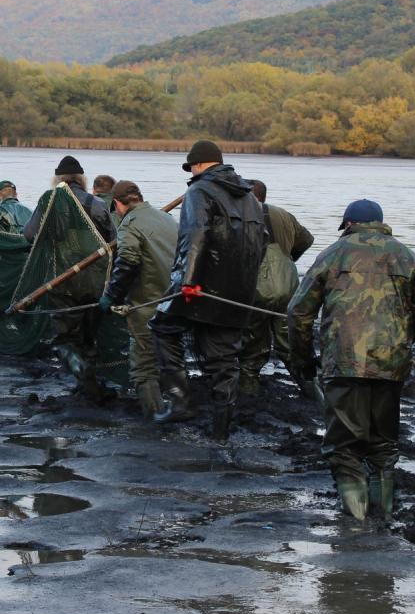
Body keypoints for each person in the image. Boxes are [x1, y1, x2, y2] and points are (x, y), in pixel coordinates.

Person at [287, 199, 415, 521]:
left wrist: (303, 359)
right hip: (389, 362)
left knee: (343, 446)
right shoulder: (407, 255)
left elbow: (298, 312)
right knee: (383, 444)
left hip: (343, 362)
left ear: (348, 224)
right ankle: (381, 513)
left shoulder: (333, 253)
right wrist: (402, 338)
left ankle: (356, 520)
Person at [152, 140, 267, 440]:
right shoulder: (251, 198)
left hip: (201, 289)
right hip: (239, 293)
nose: (190, 172)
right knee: (225, 361)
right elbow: (261, 245)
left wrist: (187, 282)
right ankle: (220, 431)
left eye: (191, 167)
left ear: (199, 165)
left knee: (162, 326)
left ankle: (180, 401)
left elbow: (194, 237)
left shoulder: (198, 191)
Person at [22, 156, 117, 393]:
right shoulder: (98, 204)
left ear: (59, 180)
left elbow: (30, 234)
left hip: (62, 281)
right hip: (95, 282)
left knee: (65, 338)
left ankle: (82, 374)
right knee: (88, 337)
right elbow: (114, 240)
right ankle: (90, 380)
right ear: (82, 179)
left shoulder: (51, 201)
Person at [98, 181, 177, 418]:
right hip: (176, 303)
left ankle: (154, 418)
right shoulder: (167, 219)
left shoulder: (129, 225)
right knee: (172, 359)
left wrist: (110, 297)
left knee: (143, 366)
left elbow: (127, 264)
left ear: (118, 204)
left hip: (147, 305)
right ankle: (179, 407)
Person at [238, 180, 315, 396]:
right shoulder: (284, 214)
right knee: (291, 345)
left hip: (256, 290)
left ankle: (248, 394)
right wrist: (289, 261)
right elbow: (306, 240)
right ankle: (314, 393)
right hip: (289, 287)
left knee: (252, 346)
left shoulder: (240, 216)